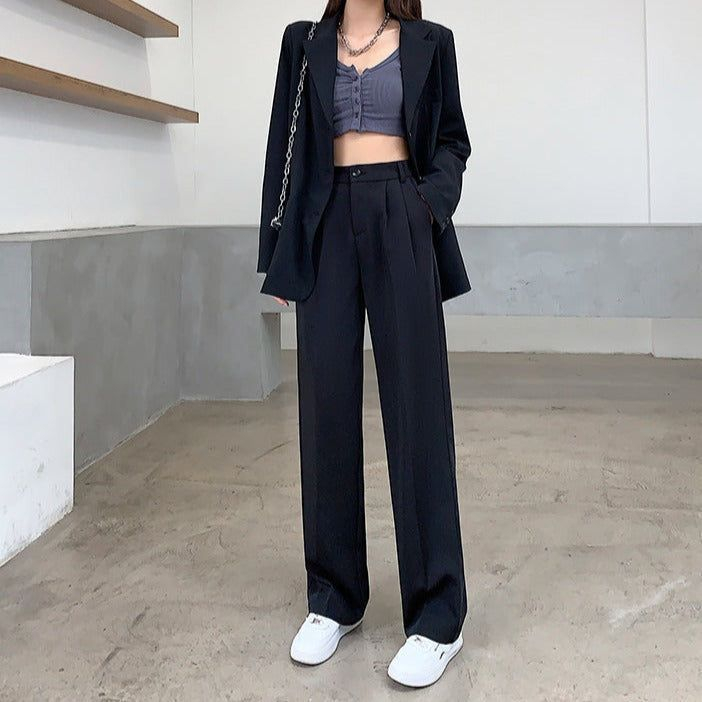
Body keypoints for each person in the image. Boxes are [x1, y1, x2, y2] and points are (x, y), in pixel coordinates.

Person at [257, 0, 472, 688]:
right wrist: (279, 255)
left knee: (417, 408)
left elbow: (452, 142)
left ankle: (437, 615)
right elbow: (284, 148)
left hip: (401, 211)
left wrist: (426, 203)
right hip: (324, 223)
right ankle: (334, 597)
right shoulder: (304, 42)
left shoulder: (430, 41)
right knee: (324, 406)